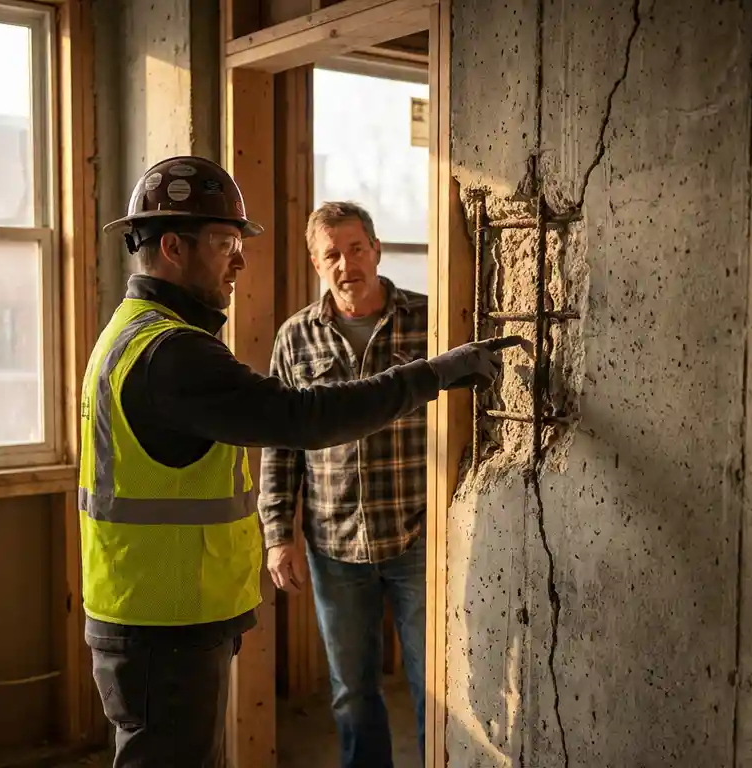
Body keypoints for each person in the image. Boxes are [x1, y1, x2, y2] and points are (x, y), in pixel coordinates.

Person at [79, 156, 520, 768]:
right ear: (174, 247)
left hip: (160, 614)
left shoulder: (137, 333)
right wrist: (439, 373)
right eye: (227, 241)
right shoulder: (173, 353)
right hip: (164, 622)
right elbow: (300, 421)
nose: (240, 258)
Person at [257, 201, 431, 768]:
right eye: (332, 253)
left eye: (356, 248)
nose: (346, 263)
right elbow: (280, 445)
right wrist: (278, 534)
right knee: (352, 693)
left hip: (422, 539)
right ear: (316, 262)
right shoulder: (295, 339)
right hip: (336, 546)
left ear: (377, 250)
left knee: (439, 685)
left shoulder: (428, 322)